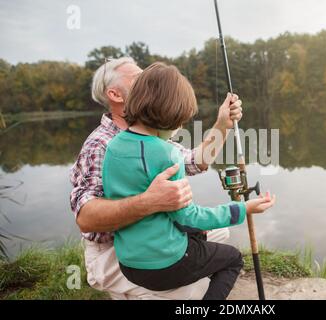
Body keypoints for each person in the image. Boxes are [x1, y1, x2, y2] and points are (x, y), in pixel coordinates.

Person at [70, 57, 244, 299]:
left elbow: (197, 160)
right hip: (114, 250)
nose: (149, 82)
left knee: (219, 231)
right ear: (115, 95)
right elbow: (86, 218)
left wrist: (223, 123)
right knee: (196, 291)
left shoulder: (151, 135)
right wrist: (149, 201)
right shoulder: (100, 144)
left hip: (153, 235)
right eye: (140, 79)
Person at [102, 62, 276, 300]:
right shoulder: (167, 154)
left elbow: (197, 162)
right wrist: (242, 208)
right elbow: (189, 217)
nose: (181, 127)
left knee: (198, 234)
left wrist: (223, 123)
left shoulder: (112, 146)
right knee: (233, 259)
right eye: (180, 120)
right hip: (164, 265)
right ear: (167, 113)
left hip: (128, 263)